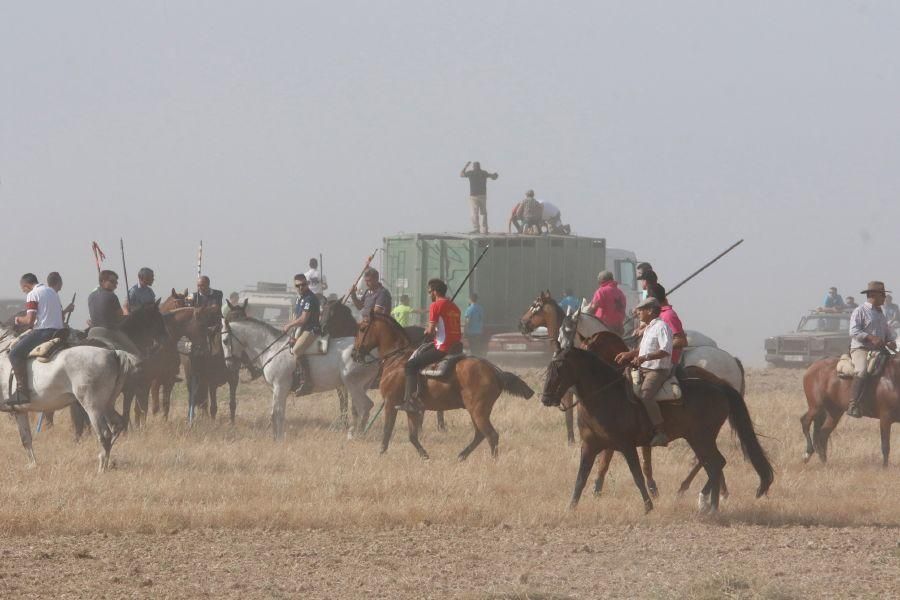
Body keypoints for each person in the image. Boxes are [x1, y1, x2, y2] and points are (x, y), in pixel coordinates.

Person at [614, 297, 672, 447]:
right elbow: (644, 349)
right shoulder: (648, 328)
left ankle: (661, 432)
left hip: (657, 370)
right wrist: (630, 354)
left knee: (645, 395)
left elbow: (665, 350)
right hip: (644, 367)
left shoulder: (661, 326)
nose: (638, 312)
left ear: (651, 311)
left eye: (641, 309)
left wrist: (644, 358)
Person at [399, 278, 462, 413]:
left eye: (429, 292)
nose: (429, 295)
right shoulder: (454, 307)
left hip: (442, 347)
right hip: (456, 346)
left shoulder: (435, 305)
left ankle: (410, 401)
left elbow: (431, 330)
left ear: (434, 292)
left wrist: (426, 330)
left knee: (410, 365)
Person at [3, 274, 65, 408]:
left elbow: (29, 321)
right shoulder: (52, 292)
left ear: (26, 285)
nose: (24, 292)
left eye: (23, 289)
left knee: (14, 353)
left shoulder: (33, 294)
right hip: (60, 332)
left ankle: (22, 391)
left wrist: (18, 320)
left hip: (44, 332)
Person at [847, 281, 897, 418]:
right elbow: (853, 331)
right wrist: (870, 337)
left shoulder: (881, 313)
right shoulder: (859, 311)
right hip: (861, 349)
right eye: (882, 295)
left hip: (879, 350)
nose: (884, 298)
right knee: (862, 370)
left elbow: (887, 331)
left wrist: (891, 340)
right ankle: (853, 404)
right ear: (873, 295)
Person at [282, 274, 320, 395]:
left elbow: (303, 319)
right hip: (301, 330)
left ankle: (307, 381)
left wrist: (289, 325)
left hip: (311, 329)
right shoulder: (299, 298)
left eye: (303, 284)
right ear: (295, 286)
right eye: (298, 285)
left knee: (297, 350)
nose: (300, 287)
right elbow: (296, 316)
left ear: (307, 284)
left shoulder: (310, 298)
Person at [647, 283, 687, 366]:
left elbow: (681, 341)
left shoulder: (668, 316)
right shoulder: (658, 315)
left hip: (666, 363)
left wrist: (658, 349)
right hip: (656, 360)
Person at [460, 161, 498, 234]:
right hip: (482, 195)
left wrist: (466, 166)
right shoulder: (483, 173)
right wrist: (494, 175)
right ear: (479, 166)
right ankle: (484, 229)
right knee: (483, 213)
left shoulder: (470, 173)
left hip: (473, 195)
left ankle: (476, 228)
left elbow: (461, 174)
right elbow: (492, 176)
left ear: (473, 167)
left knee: (474, 213)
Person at [587, 271, 627, 336]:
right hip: (618, 330)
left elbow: (593, 309)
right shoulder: (621, 293)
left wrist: (586, 315)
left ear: (601, 281)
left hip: (603, 329)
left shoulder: (601, 291)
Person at [464, 292, 487, 357]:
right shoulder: (481, 308)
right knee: (478, 347)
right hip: (479, 331)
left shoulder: (469, 309)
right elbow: (482, 319)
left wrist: (465, 331)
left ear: (470, 299)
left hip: (471, 332)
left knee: (472, 348)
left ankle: (474, 360)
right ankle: (479, 359)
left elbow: (467, 321)